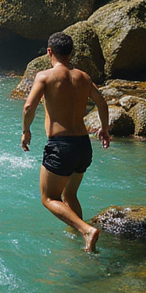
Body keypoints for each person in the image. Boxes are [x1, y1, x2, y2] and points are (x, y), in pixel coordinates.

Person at [21, 32, 111, 250]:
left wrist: (26, 131)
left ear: (49, 51)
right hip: (83, 145)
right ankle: (80, 238)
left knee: (49, 198)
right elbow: (102, 103)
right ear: (71, 53)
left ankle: (86, 230)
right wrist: (105, 129)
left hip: (61, 146)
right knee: (69, 194)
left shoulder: (45, 76)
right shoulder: (83, 77)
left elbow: (28, 106)